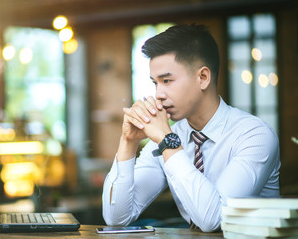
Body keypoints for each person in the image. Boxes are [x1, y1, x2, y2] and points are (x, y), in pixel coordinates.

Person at [101, 24, 280, 232]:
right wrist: (128, 142)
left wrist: (168, 142)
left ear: (203, 77)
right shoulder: (170, 136)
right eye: (155, 83)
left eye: (167, 80)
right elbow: (116, 218)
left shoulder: (255, 135)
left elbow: (213, 220)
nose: (158, 93)